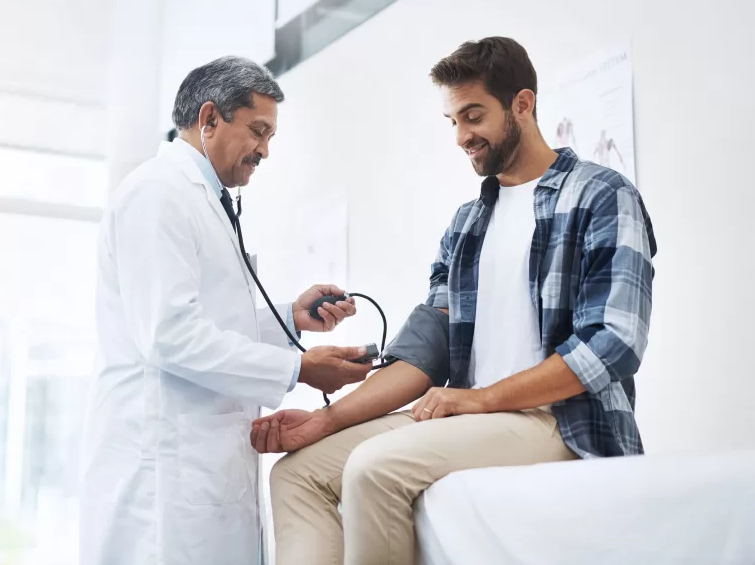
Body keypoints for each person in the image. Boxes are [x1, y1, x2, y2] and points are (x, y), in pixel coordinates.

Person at [252, 37, 657, 565]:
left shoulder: (602, 195)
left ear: (523, 104)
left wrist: (482, 399)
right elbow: (427, 352)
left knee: (374, 468)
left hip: (562, 421)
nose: (463, 136)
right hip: (473, 416)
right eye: (453, 122)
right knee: (297, 473)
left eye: (474, 116)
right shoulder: (467, 224)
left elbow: (613, 344)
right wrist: (325, 422)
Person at [80, 55, 373, 565]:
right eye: (258, 131)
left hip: (203, 465)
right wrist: (300, 367)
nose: (264, 150)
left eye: (271, 137)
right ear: (209, 118)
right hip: (162, 477)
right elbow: (169, 335)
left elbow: (209, 320)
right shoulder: (157, 195)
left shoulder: (203, 199)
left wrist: (290, 317)